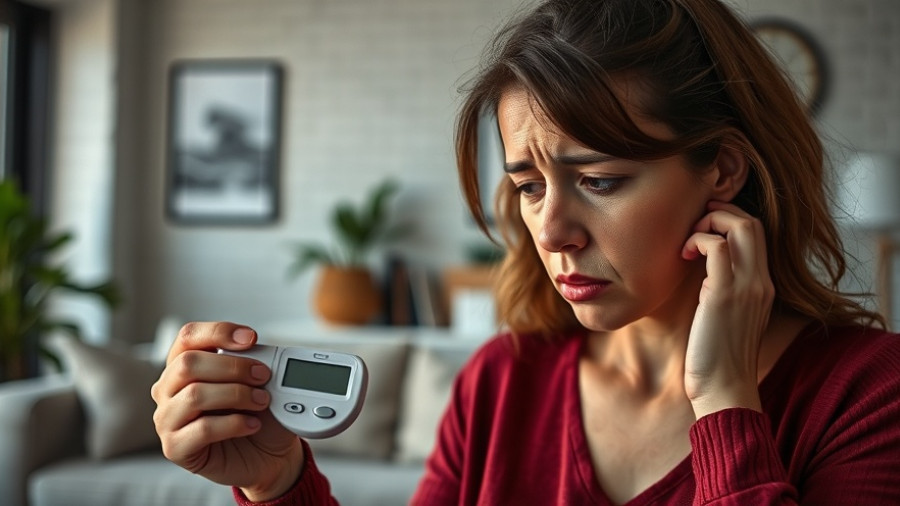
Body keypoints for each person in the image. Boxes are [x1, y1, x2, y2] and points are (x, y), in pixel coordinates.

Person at [151, 0, 900, 504]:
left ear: (722, 172)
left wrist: (727, 403)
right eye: (530, 186)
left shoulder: (871, 396)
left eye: (600, 180)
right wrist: (280, 485)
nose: (553, 231)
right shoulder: (500, 384)